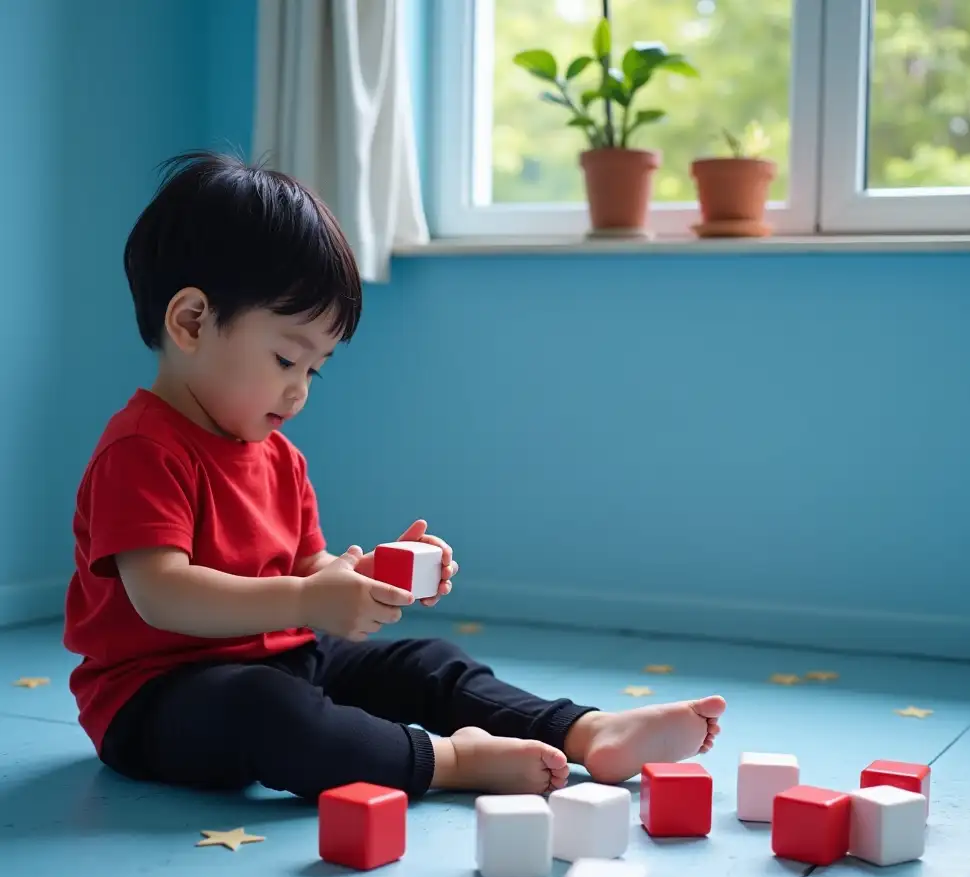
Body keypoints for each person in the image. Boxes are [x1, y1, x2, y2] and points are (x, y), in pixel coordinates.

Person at [63, 151, 726, 803]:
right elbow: (163, 595)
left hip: (280, 655)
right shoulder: (142, 449)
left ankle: (586, 730)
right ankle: (448, 761)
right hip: (160, 697)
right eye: (287, 358)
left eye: (314, 370)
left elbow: (308, 567)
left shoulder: (277, 455)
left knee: (425, 662)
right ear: (191, 322)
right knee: (269, 710)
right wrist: (303, 602)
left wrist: (366, 577)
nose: (298, 391)